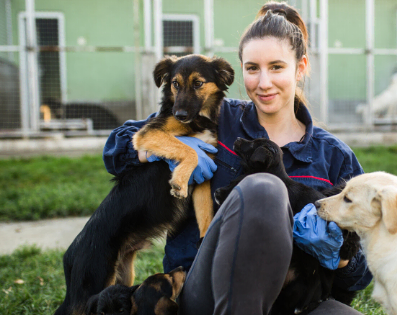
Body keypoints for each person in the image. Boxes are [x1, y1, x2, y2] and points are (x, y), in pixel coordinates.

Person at [103, 2, 372, 314]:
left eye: (277, 67)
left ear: (300, 68)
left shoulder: (334, 157)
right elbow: (117, 148)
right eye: (252, 68)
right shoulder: (212, 116)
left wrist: (340, 254)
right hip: (206, 290)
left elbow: (362, 273)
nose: (263, 82)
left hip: (293, 300)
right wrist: (168, 150)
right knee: (265, 189)